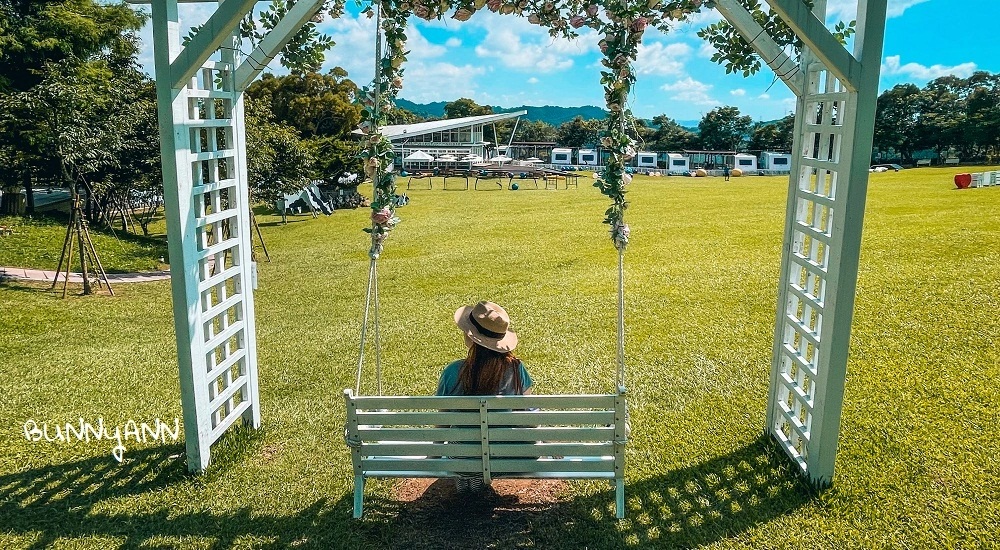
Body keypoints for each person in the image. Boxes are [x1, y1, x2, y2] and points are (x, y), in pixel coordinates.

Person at [436, 300, 533, 493]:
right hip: (512, 459)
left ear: (471, 336)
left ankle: (471, 476)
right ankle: (476, 477)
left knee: (464, 453)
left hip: (462, 458)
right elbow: (529, 416)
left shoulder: (453, 372)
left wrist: (435, 453)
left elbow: (442, 423)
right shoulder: (516, 369)